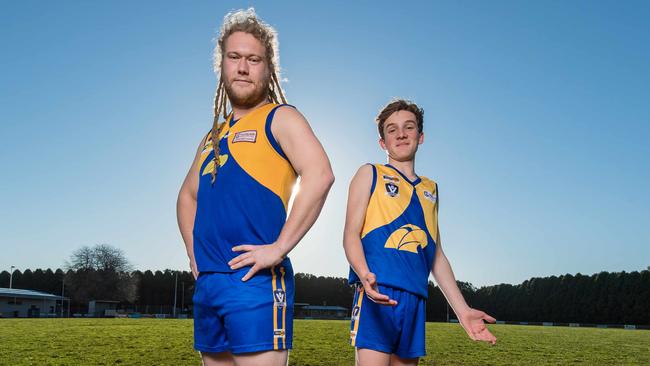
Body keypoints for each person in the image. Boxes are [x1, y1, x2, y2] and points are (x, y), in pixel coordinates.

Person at [176, 8, 334, 366]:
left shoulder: (282, 117)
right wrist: (192, 252)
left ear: (269, 67)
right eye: (234, 57)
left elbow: (321, 174)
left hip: (255, 281)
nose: (243, 67)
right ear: (222, 65)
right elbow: (187, 196)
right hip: (210, 285)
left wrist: (278, 248)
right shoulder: (212, 137)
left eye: (253, 59)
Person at [343, 99, 496, 366]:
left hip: (415, 299)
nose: (401, 134)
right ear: (382, 143)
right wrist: (364, 274)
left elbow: (436, 255)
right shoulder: (370, 173)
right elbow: (350, 234)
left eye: (408, 127)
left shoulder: (431, 189)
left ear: (420, 136)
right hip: (377, 291)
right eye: (392, 129)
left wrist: (462, 311)